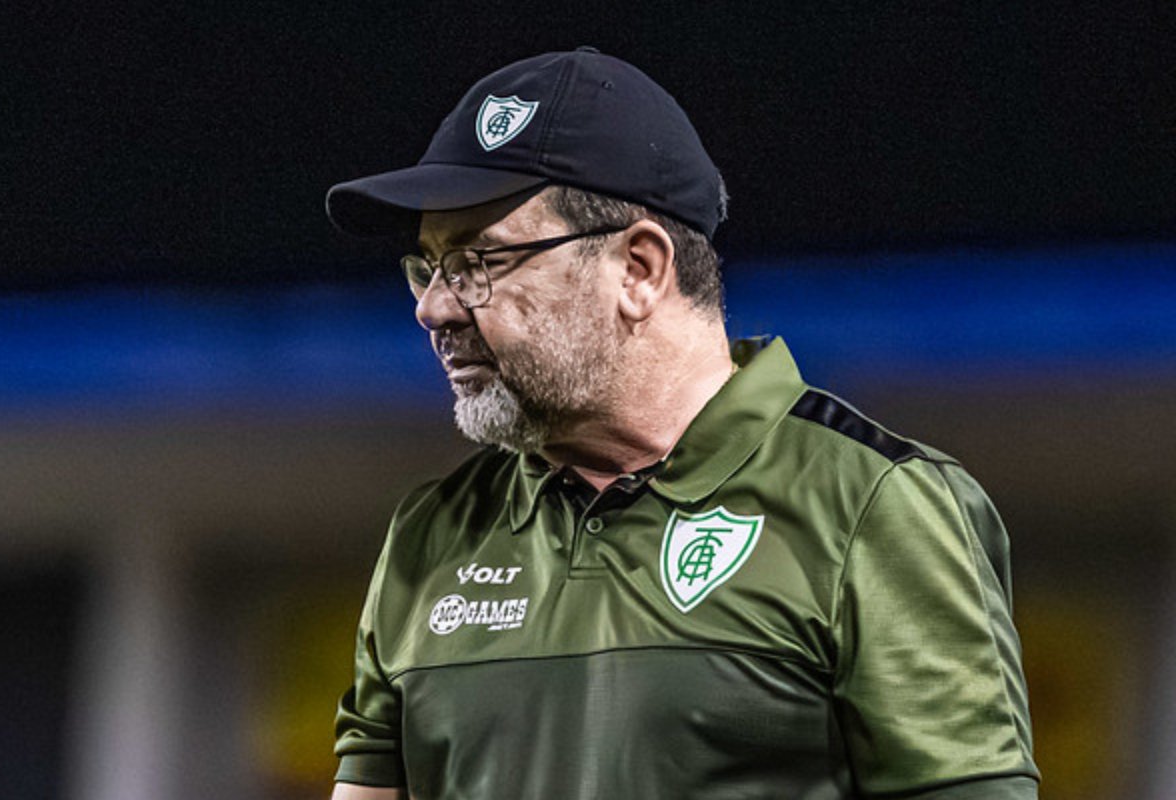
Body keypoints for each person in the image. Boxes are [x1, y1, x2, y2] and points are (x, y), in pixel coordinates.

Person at [324, 47, 1040, 800]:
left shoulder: (873, 504)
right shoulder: (430, 536)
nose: (432, 307)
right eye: (428, 267)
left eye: (477, 263)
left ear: (637, 269)